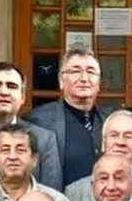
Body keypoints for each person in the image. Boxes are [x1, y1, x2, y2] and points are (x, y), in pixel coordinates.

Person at [0, 62, 63, 191]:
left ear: (22, 97)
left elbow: (51, 193)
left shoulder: (44, 139)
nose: (4, 92)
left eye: (11, 86)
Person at [27, 49, 109, 185]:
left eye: (91, 72)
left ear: (99, 83)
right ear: (61, 80)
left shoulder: (110, 119)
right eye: (76, 71)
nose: (84, 78)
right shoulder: (39, 120)